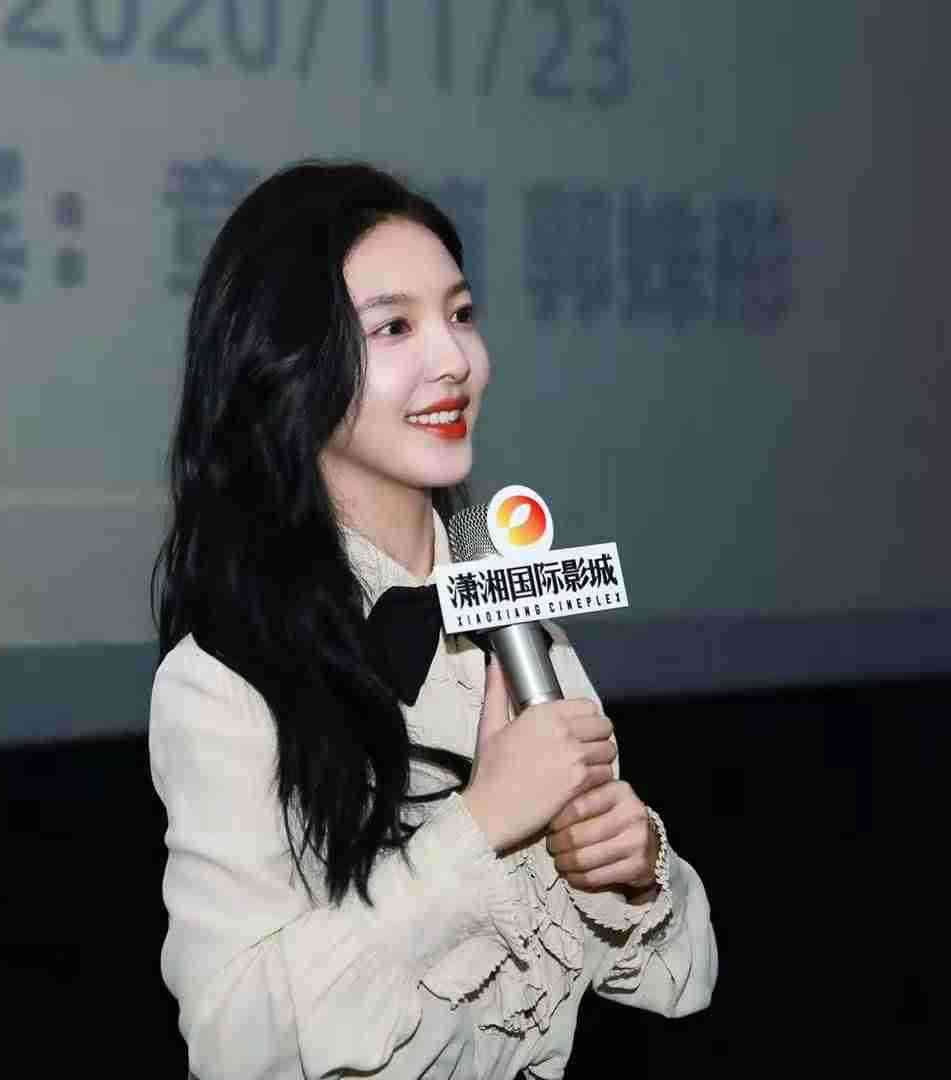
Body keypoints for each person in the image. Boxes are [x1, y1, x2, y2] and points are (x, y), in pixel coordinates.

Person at [148, 160, 717, 1079]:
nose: (454, 360)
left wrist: (634, 862)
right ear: (287, 364)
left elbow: (681, 978)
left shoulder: (520, 622)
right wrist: (481, 827)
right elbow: (233, 1042)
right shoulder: (221, 681)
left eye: (460, 314)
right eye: (394, 327)